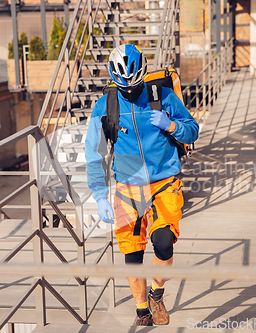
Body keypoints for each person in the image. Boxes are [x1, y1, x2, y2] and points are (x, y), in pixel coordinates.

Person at [84, 44, 199, 326]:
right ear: (114, 80)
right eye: (124, 87)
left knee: (164, 244)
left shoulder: (163, 97)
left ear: (143, 75)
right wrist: (99, 195)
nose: (130, 92)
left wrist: (171, 125)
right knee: (132, 254)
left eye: (134, 86)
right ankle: (142, 310)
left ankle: (157, 293)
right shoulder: (105, 107)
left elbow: (193, 129)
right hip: (128, 187)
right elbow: (93, 154)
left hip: (164, 181)